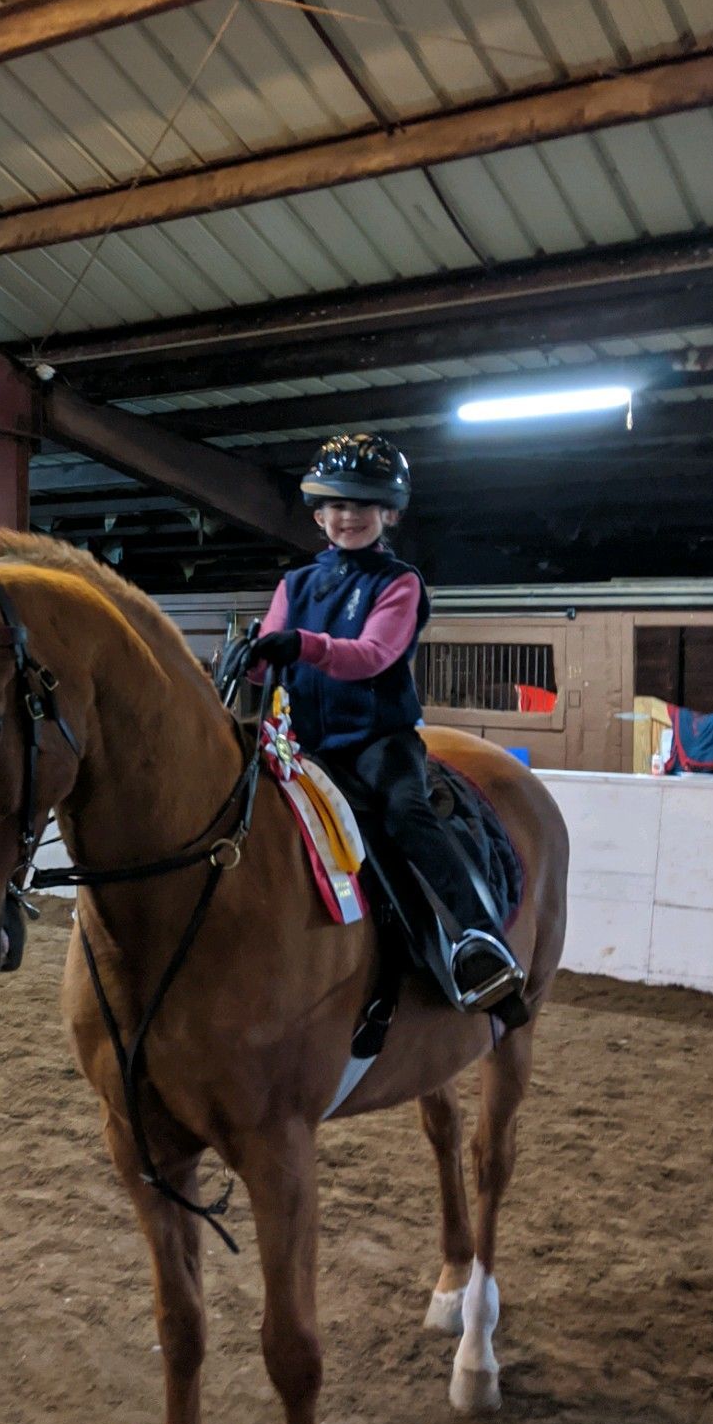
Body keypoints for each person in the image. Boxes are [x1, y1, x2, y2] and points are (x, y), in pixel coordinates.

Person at [247, 432, 523, 1015]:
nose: (348, 517)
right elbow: (272, 658)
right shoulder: (293, 585)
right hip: (304, 747)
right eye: (337, 505)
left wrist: (302, 644)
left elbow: (372, 655)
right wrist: (251, 660)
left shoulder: (399, 584)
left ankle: (479, 939)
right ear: (319, 514)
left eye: (362, 505)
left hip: (377, 743)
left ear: (389, 513)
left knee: (407, 815)